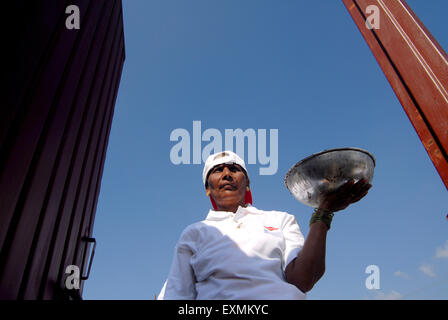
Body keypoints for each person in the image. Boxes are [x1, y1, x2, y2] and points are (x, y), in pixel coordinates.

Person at [158, 151, 371, 299]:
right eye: (217, 170)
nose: (226, 174)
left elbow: (303, 280)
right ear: (207, 188)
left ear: (247, 182)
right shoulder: (195, 233)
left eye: (234, 168)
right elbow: (177, 294)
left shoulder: (279, 220)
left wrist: (323, 213)